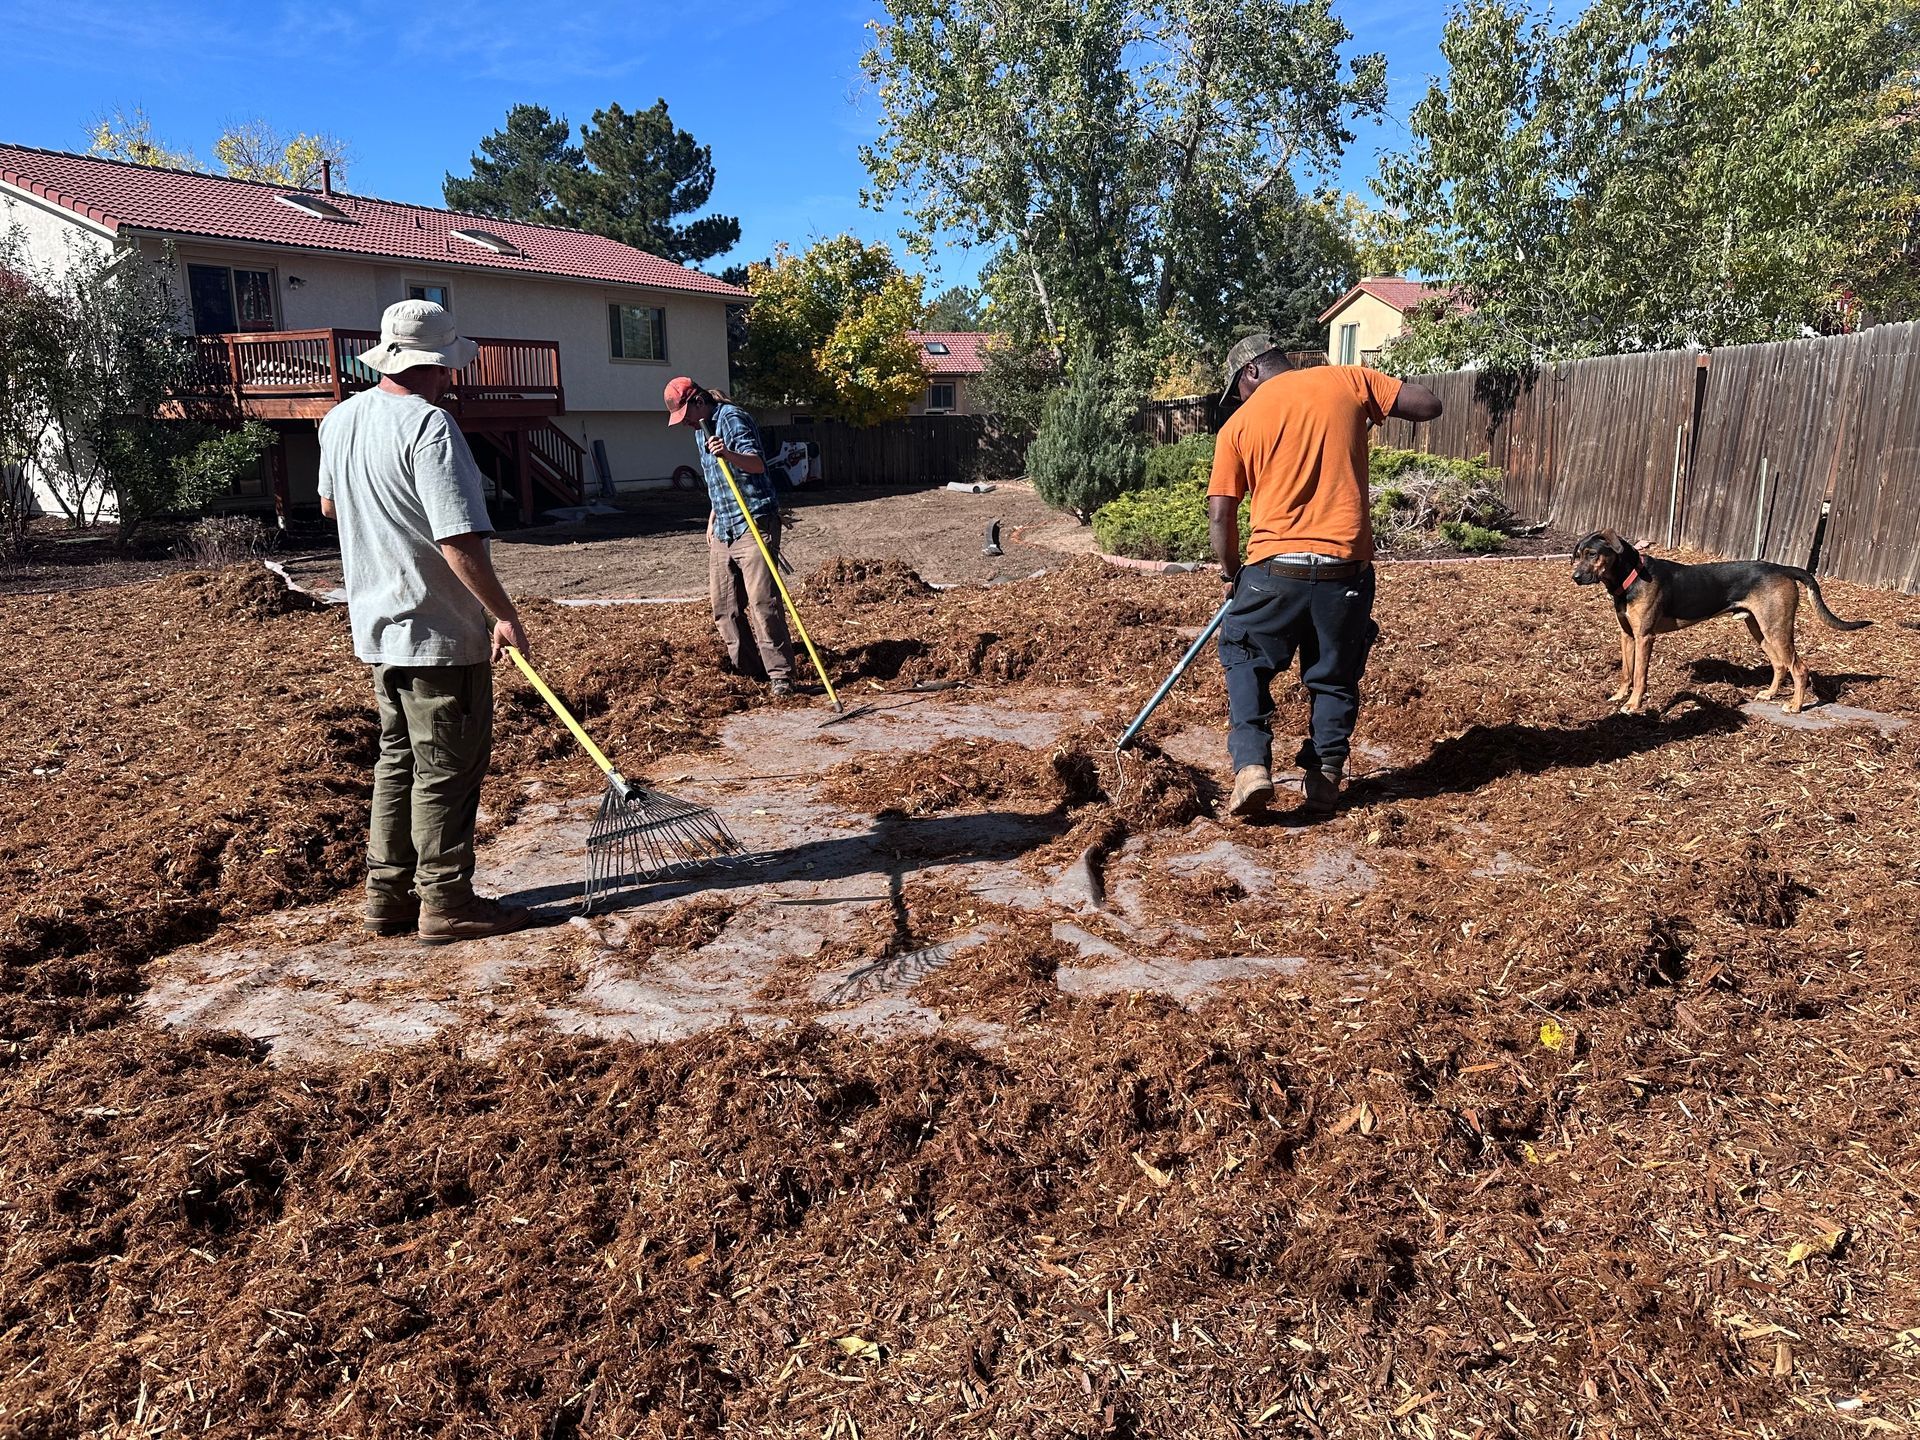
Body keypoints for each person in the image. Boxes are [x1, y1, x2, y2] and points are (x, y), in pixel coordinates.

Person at [318, 299, 532, 944]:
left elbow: (330, 506)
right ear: (438, 365)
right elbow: (458, 539)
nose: (450, 378)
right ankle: (446, 900)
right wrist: (506, 616)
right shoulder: (430, 426)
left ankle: (387, 896)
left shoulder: (340, 419)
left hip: (378, 629)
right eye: (448, 366)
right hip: (438, 630)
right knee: (445, 766)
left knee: (397, 762)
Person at [1207, 333, 1443, 820]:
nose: (1241, 398)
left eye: (1239, 388)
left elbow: (1220, 515)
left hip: (1273, 569)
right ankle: (1326, 776)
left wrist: (1232, 574)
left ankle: (1251, 767)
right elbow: (1428, 405)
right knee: (1334, 674)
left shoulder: (1239, 425)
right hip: (1344, 570)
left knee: (1245, 657)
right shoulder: (1349, 380)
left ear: (1251, 372)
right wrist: (1373, 392)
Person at [664, 376, 796, 696]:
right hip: (723, 525)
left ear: (698, 401)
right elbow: (716, 481)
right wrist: (711, 518)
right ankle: (749, 672)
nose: (685, 425)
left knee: (763, 601)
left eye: (686, 416)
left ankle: (781, 677)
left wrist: (728, 453)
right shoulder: (701, 431)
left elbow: (757, 465)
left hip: (754, 522)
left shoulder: (731, 419)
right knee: (724, 608)